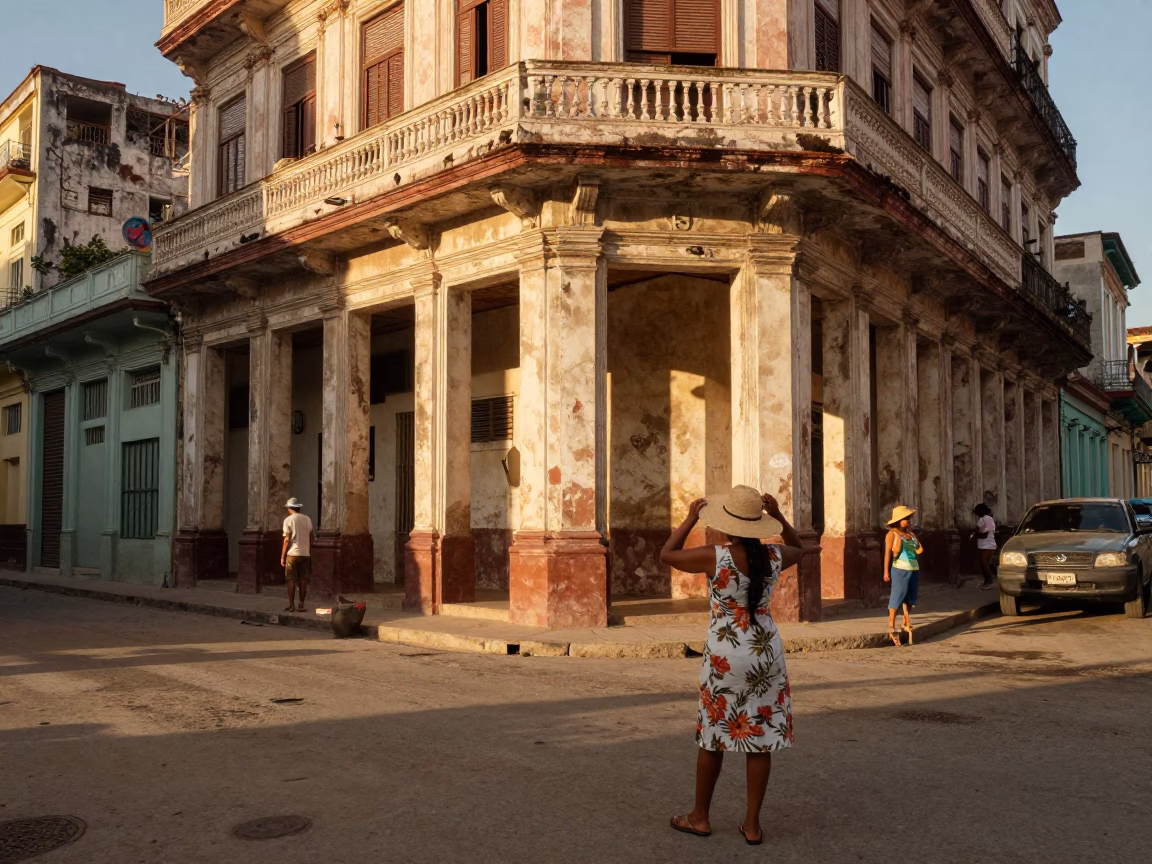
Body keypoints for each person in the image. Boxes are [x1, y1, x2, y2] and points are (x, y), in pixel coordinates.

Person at [659, 485, 807, 845]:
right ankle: (752, 826)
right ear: (759, 523)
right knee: (760, 739)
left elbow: (667, 553)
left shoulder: (716, 555)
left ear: (726, 525)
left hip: (726, 655)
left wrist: (692, 516)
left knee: (714, 737)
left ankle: (700, 817)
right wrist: (782, 518)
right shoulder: (774, 555)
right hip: (766, 653)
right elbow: (800, 548)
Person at [883, 504, 922, 646]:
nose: (909, 521)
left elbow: (918, 549)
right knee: (897, 596)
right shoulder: (891, 534)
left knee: (910, 598)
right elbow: (887, 554)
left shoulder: (910, 535)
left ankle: (906, 621)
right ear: (899, 521)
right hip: (899, 569)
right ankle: (891, 625)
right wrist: (886, 571)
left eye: (909, 518)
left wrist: (913, 536)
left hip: (913, 569)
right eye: (906, 519)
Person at [280, 497, 315, 613]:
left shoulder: (288, 520)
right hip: (305, 554)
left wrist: (282, 556)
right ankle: (301, 604)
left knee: (290, 579)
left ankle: (291, 605)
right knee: (303, 580)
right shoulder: (307, 519)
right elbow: (312, 538)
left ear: (290, 509)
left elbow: (286, 540)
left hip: (292, 554)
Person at [973, 503, 998, 590]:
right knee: (985, 562)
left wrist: (976, 534)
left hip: (988, 543)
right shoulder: (984, 519)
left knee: (984, 562)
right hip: (984, 544)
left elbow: (984, 534)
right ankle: (987, 580)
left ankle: (989, 581)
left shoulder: (986, 519)